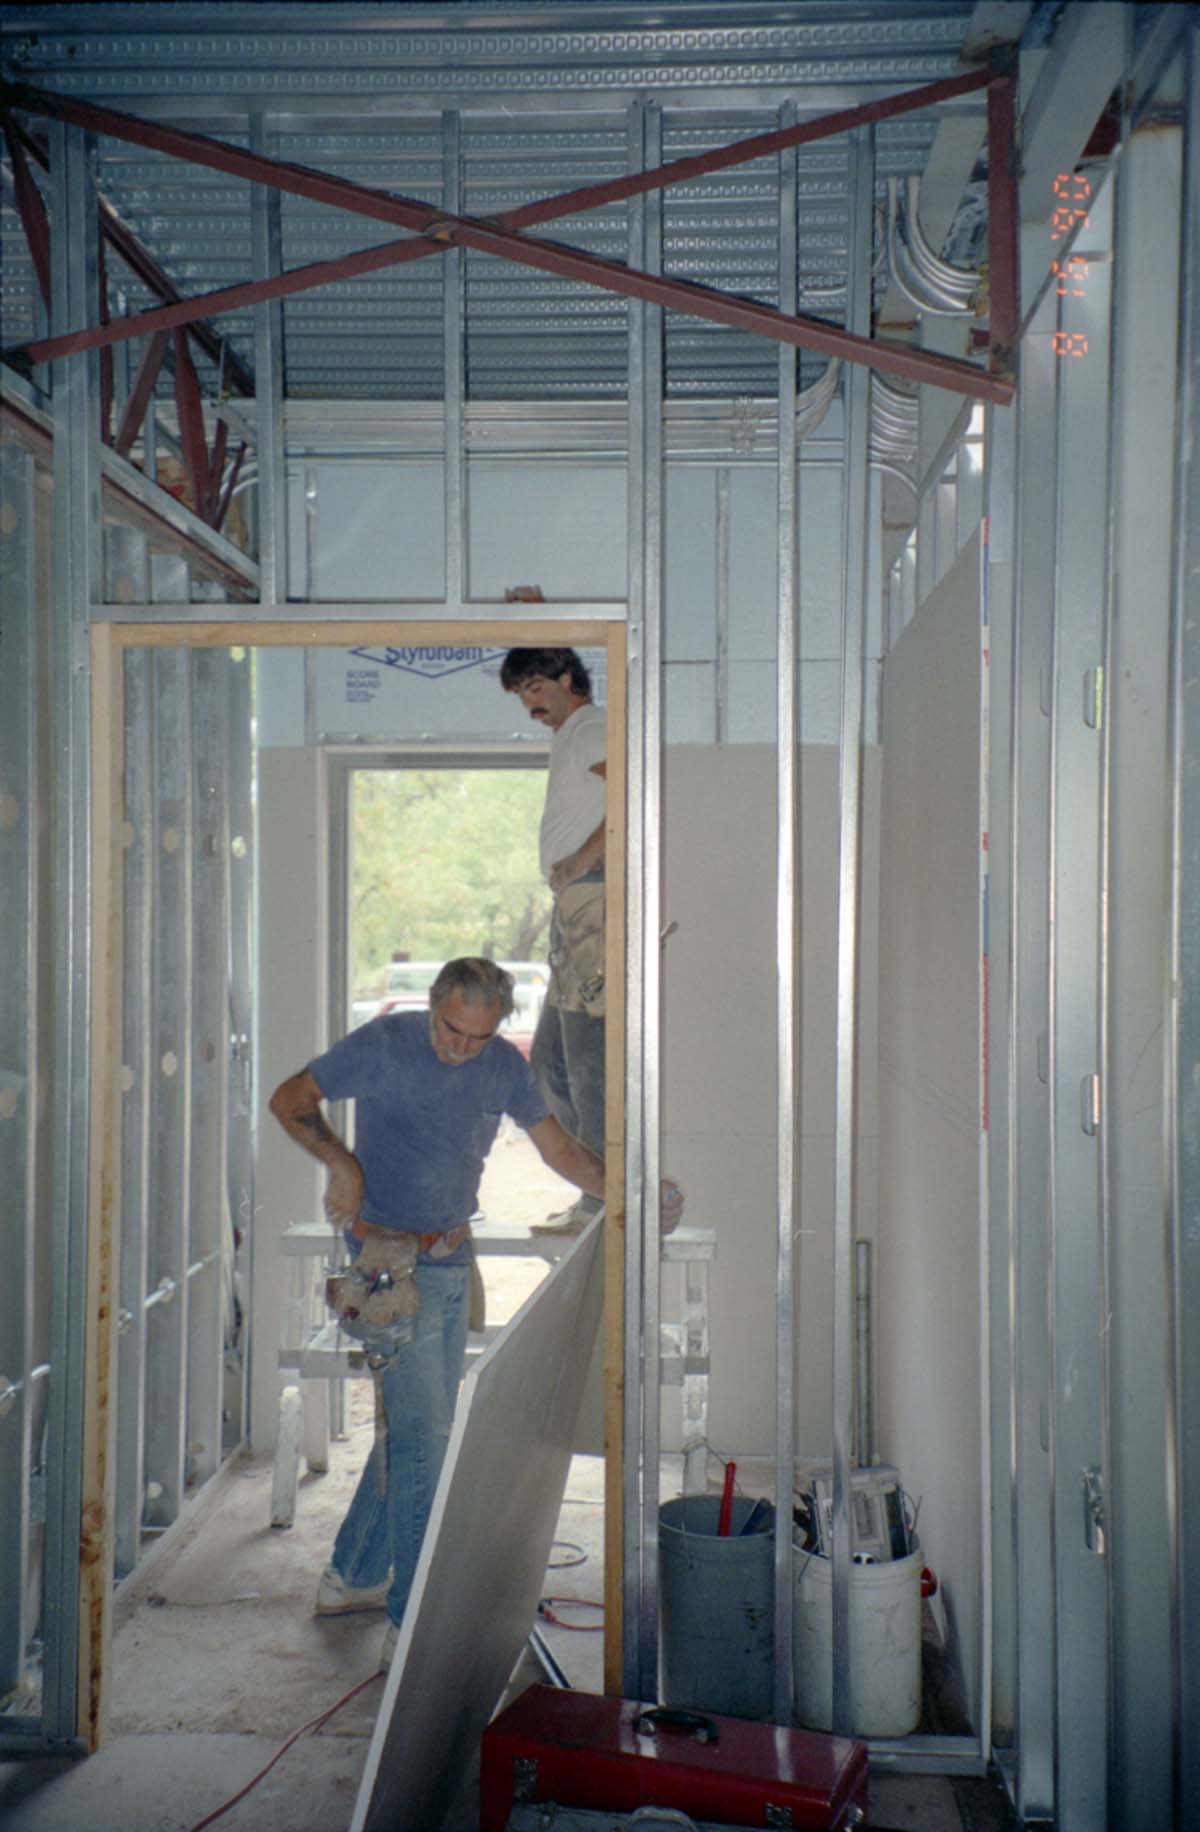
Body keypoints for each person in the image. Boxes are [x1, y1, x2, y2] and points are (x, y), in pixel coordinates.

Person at [268, 956, 606, 1668]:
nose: (459, 1047)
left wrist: (625, 1187)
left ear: (498, 1030)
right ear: (431, 1007)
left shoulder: (503, 1071)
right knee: (426, 1439)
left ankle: (352, 1575)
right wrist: (344, 1166)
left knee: (417, 1432)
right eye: (451, 1029)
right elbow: (289, 1098)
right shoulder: (386, 1044)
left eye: (477, 1037)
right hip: (389, 1265)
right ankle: (413, 1621)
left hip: (452, 1262)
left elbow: (557, 1149)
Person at [501, 646, 607, 1235]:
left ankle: (601, 1208)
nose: (531, 703)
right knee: (549, 1066)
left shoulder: (590, 727)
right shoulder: (573, 734)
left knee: (588, 1063)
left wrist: (579, 863)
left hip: (595, 897)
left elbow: (632, 793)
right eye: (522, 695)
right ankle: (598, 1191)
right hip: (579, 906)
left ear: (569, 679)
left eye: (538, 687)